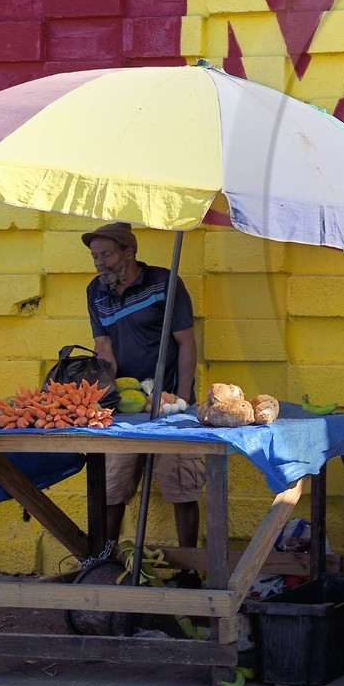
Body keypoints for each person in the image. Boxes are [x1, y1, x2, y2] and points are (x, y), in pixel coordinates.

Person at [82, 221, 201, 549]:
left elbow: (187, 343)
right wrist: (102, 396)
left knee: (182, 487)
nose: (100, 262)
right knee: (112, 486)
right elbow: (103, 347)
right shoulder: (96, 291)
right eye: (95, 257)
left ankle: (189, 567)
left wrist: (185, 398)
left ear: (129, 252)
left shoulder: (164, 283)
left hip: (170, 399)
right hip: (126, 403)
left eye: (106, 254)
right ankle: (105, 558)